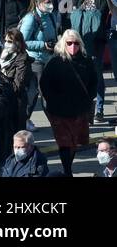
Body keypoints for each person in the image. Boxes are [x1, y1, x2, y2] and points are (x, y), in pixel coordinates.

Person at [40, 30, 99, 176]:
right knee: (64, 142)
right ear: (63, 44)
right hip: (59, 111)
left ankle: (68, 165)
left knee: (74, 142)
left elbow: (94, 82)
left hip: (79, 110)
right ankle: (67, 170)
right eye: (69, 43)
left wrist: (88, 99)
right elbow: (44, 84)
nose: (73, 46)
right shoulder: (55, 62)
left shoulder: (86, 61)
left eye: (76, 43)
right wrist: (54, 102)